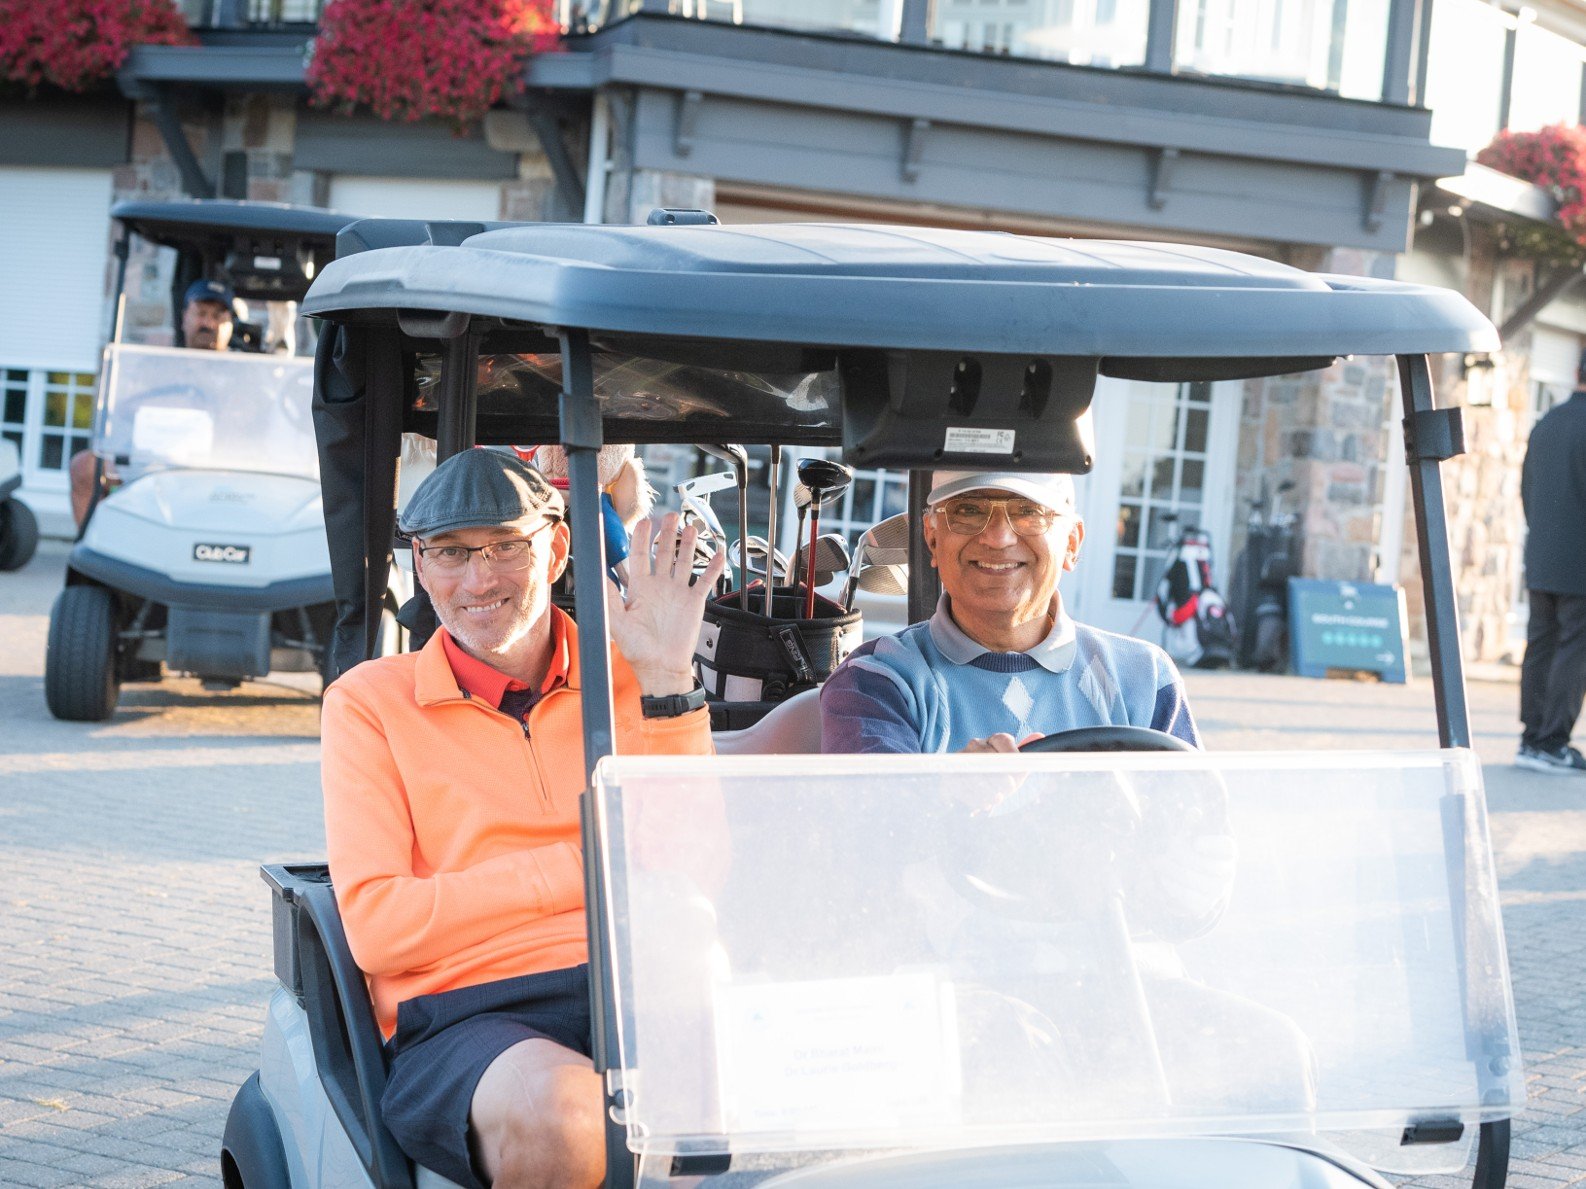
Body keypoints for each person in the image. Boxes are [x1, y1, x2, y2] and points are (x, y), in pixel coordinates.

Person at [322, 448, 724, 1189]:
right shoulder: (369, 702)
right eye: (451, 553)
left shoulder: (631, 670)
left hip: (642, 980)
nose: (480, 579)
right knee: (570, 1117)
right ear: (420, 562)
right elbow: (379, 926)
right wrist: (585, 865)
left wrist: (670, 681)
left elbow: (695, 867)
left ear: (558, 546)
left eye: (508, 546)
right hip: (472, 1014)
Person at [820, 470, 1199, 753]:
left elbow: (1197, 839)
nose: (998, 538)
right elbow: (875, 838)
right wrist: (948, 799)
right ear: (932, 539)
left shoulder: (1146, 678)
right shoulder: (877, 679)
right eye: (968, 510)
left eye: (1028, 511)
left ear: (1071, 542)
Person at [69, 279, 236, 527]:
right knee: (85, 466)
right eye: (201, 314)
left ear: (230, 324)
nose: (208, 323)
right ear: (184, 318)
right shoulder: (160, 364)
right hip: (153, 458)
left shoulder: (243, 371)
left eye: (217, 316)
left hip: (219, 463)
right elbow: (125, 409)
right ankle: (97, 549)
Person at [1517, 358, 1586, 774]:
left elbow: (1527, 490)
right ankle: (1553, 742)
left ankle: (1530, 739)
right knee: (1574, 649)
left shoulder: (1546, 423)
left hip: (1541, 555)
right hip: (1580, 562)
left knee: (1541, 645)